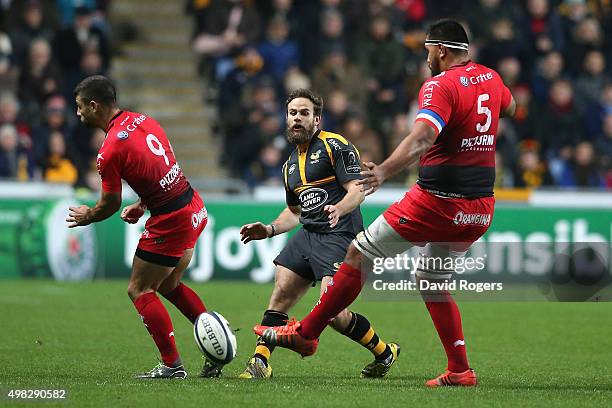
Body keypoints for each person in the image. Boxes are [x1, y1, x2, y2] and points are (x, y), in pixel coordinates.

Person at [255, 19, 516, 387]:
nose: (426, 58)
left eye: (428, 51)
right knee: (432, 278)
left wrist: (384, 172)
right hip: (480, 208)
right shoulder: (490, 77)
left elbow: (423, 138)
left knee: (358, 254)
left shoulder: (440, 85)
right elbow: (509, 106)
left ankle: (307, 332)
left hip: (437, 203)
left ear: (441, 50)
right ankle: (460, 370)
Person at [238, 88, 399, 379]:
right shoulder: (288, 166)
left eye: (304, 113)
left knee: (335, 314)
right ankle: (259, 363)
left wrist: (339, 208)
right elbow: (295, 211)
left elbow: (357, 190)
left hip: (341, 235)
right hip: (309, 235)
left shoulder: (335, 145)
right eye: (292, 113)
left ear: (317, 120)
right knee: (281, 294)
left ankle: (384, 352)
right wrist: (271, 228)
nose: (297, 118)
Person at [66, 75, 218, 379]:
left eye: (80, 107)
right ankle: (216, 348)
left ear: (94, 106)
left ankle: (172, 365)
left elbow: (108, 204)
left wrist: (88, 216)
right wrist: (145, 202)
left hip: (172, 219)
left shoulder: (109, 151)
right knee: (168, 285)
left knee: (139, 288)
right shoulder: (143, 120)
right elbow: (163, 169)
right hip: (192, 205)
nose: (78, 113)